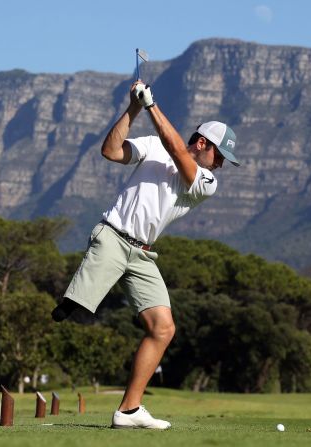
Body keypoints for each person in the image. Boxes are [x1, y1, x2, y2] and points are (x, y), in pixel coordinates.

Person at [51, 80, 239, 429]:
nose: (222, 166)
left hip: (143, 257)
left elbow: (178, 153)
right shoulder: (153, 145)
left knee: (164, 329)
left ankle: (128, 410)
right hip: (113, 237)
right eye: (221, 156)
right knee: (71, 311)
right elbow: (110, 151)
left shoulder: (206, 182)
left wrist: (151, 105)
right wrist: (134, 108)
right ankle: (71, 304)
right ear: (203, 143)